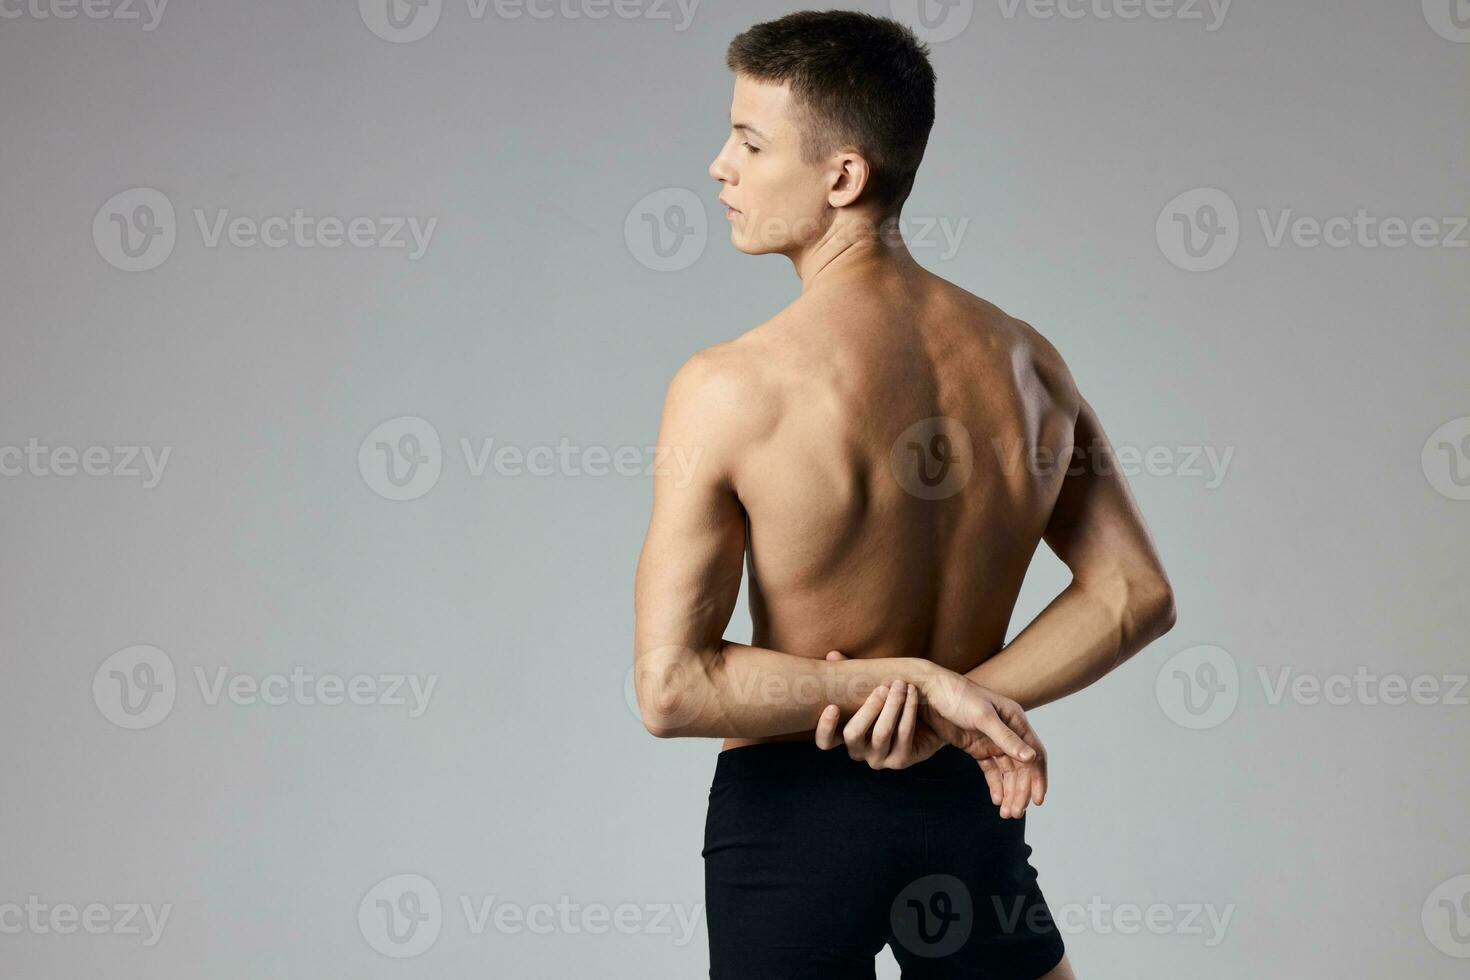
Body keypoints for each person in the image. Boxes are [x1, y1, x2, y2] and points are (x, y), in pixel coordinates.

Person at [632, 11, 1176, 978]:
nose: (720, 165)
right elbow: (1133, 596)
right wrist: (953, 703)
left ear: (843, 177)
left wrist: (886, 691)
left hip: (792, 817)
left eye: (751, 143)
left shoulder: (731, 386)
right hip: (967, 798)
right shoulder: (1027, 362)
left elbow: (671, 689)